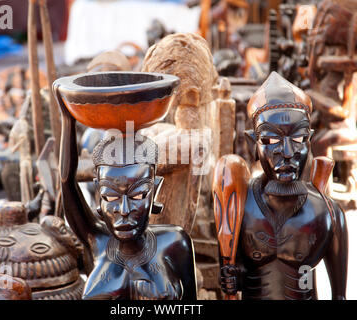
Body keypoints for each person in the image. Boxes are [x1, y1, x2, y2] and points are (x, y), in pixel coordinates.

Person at [220, 72, 348, 300]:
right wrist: (232, 278)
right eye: (271, 140)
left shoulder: (327, 213)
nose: (287, 153)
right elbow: (237, 271)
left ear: (310, 140)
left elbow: (339, 296)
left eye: (298, 139)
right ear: (253, 145)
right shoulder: (238, 206)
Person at [58, 99, 197, 300]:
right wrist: (67, 119)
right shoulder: (97, 240)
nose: (123, 209)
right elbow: (66, 180)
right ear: (98, 194)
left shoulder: (174, 242)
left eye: (138, 195)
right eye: (110, 196)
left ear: (155, 190)